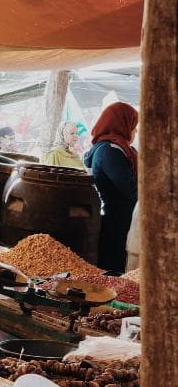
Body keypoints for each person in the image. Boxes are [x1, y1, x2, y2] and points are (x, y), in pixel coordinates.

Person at [84, 102, 138, 273]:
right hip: (117, 222)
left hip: (122, 219)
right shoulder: (109, 150)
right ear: (122, 124)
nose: (135, 132)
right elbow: (131, 189)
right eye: (133, 127)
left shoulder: (120, 149)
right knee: (115, 271)